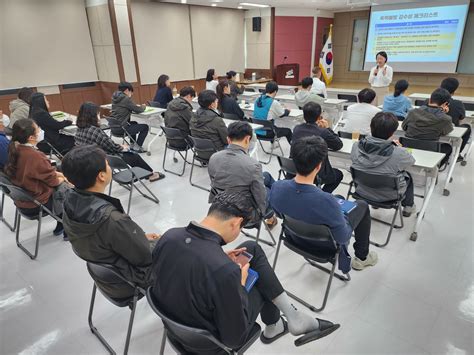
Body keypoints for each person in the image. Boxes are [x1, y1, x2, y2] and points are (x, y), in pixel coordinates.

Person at [150, 191, 339, 354]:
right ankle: (286, 322)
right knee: (259, 279)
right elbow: (234, 339)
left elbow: (187, 262)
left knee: (251, 249)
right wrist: (238, 286)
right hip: (209, 344)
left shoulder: (169, 236)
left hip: (175, 327)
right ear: (237, 222)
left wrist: (219, 255)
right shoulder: (225, 272)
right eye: (241, 228)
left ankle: (284, 322)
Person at [61, 145, 160, 299]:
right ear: (101, 176)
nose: (110, 167)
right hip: (130, 281)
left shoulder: (69, 200)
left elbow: (105, 238)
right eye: (107, 164)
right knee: (180, 249)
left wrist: (139, 237)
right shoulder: (112, 219)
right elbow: (145, 257)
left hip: (105, 276)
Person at [270, 136, 378, 271]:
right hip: (323, 247)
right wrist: (343, 217)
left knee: (338, 197)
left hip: (294, 238)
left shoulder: (277, 187)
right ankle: (362, 257)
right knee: (361, 205)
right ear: (318, 166)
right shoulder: (327, 201)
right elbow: (342, 237)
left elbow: (280, 215)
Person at [4, 119, 70, 240]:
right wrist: (64, 178)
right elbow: (53, 181)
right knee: (67, 188)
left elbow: (42, 173)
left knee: (61, 176)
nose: (41, 131)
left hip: (23, 200)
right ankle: (67, 227)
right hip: (37, 202)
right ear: (31, 137)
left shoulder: (14, 149)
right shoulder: (34, 156)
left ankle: (61, 223)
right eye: (38, 129)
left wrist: (58, 174)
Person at [208, 121, 277, 228]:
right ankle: (272, 216)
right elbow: (260, 197)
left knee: (266, 176)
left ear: (228, 139)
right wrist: (262, 213)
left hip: (222, 206)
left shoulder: (213, 157)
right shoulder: (252, 165)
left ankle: (273, 217)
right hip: (245, 213)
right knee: (273, 191)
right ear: (247, 139)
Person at [74, 102, 164, 182]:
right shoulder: (94, 130)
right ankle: (151, 174)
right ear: (92, 116)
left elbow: (105, 144)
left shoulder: (79, 130)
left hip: (90, 160)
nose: (99, 116)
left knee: (129, 150)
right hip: (104, 159)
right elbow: (111, 146)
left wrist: (118, 146)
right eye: (98, 114)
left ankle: (145, 173)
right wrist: (122, 147)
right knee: (134, 156)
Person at [351, 112, 416, 217]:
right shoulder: (399, 153)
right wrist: (399, 148)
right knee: (408, 177)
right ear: (392, 133)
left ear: (371, 127)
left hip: (362, 190)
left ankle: (375, 204)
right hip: (389, 196)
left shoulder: (356, 146)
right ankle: (408, 207)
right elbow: (411, 161)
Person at [292, 102, 343, 193]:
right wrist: (328, 128)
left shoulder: (296, 128)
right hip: (315, 172)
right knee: (338, 174)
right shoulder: (323, 132)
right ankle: (322, 194)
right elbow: (338, 145)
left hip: (295, 168)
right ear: (319, 116)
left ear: (304, 116)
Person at [402, 88, 454, 168]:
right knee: (448, 147)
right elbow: (445, 132)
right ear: (445, 104)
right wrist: (442, 113)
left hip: (408, 149)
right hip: (430, 150)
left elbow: (404, 127)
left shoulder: (413, 112)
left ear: (429, 100)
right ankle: (436, 168)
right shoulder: (446, 119)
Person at [110, 81, 148, 152]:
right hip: (121, 128)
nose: (131, 94)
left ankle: (132, 144)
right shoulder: (125, 99)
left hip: (114, 127)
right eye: (131, 92)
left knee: (134, 123)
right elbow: (138, 109)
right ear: (127, 90)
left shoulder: (115, 98)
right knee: (145, 127)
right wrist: (143, 106)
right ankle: (138, 147)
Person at [440, 77, 471, 158]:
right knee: (467, 127)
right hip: (449, 133)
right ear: (453, 92)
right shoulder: (458, 104)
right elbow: (461, 118)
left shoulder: (428, 102)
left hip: (430, 133)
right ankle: (457, 153)